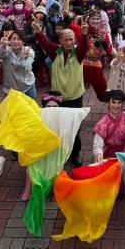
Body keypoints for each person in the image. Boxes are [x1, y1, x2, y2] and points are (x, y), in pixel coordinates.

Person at [33, 21, 89, 167]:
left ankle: (75, 155)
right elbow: (45, 43)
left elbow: (85, 46)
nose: (69, 42)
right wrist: (39, 32)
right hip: (58, 99)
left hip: (75, 98)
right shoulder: (55, 52)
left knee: (75, 129)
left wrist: (83, 35)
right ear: (60, 41)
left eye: (71, 39)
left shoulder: (79, 53)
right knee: (59, 128)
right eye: (66, 39)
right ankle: (61, 153)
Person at [92, 89, 125, 162]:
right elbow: (98, 145)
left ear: (122, 104)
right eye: (113, 102)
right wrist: (99, 154)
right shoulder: (102, 124)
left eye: (119, 103)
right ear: (108, 103)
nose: (116, 106)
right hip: (108, 156)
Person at [0, 30, 36, 99]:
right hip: (10, 90)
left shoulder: (28, 50)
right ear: (9, 41)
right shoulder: (6, 51)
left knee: (30, 109)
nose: (16, 41)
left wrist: (26, 57)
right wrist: (3, 47)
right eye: (13, 39)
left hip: (28, 88)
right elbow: (1, 56)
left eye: (19, 39)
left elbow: (27, 64)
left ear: (23, 42)